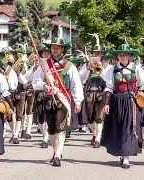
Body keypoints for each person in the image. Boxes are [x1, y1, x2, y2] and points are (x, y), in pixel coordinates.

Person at [32, 36, 84, 167]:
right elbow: (35, 82)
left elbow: (76, 84)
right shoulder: (44, 64)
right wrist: (44, 86)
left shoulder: (69, 66)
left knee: (60, 127)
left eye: (57, 47)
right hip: (49, 100)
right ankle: (56, 151)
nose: (54, 50)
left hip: (63, 99)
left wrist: (78, 101)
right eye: (52, 47)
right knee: (51, 129)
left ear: (62, 49)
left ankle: (57, 155)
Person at [101, 44, 144, 169]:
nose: (122, 56)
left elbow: (143, 86)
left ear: (129, 56)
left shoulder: (137, 69)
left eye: (124, 54)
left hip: (131, 101)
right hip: (117, 101)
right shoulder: (112, 70)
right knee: (119, 126)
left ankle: (126, 157)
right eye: (120, 54)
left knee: (129, 127)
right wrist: (106, 104)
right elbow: (109, 88)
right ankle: (122, 152)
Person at [79, 37, 110, 148]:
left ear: (102, 55)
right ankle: (94, 133)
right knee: (90, 118)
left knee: (99, 117)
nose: (97, 55)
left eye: (99, 53)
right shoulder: (86, 65)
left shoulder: (107, 67)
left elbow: (108, 79)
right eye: (95, 53)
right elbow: (80, 77)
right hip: (89, 93)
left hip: (101, 93)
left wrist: (100, 69)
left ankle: (98, 138)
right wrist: (87, 68)